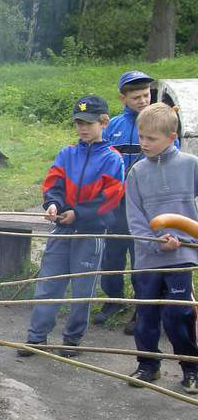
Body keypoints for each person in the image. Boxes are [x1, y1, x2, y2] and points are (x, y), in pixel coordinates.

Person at [16, 95, 123, 356]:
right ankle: (37, 337)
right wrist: (53, 205)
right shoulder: (67, 153)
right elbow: (53, 184)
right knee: (49, 283)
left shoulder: (113, 159)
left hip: (91, 232)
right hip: (62, 229)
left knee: (82, 289)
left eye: (88, 122)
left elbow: (110, 199)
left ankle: (72, 340)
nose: (83, 128)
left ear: (104, 122)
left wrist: (79, 213)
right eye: (78, 123)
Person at [98, 71, 179, 334]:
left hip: (147, 202)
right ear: (124, 98)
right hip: (117, 201)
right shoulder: (115, 126)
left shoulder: (159, 124)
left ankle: (141, 306)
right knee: (113, 251)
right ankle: (113, 299)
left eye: (146, 95)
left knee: (141, 253)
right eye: (136, 97)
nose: (143, 100)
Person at [125, 103, 198, 392]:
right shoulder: (136, 172)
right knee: (146, 316)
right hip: (147, 258)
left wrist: (188, 238)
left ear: (172, 136)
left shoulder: (191, 165)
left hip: (183, 255)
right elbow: (134, 216)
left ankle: (191, 369)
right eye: (141, 136)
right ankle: (147, 366)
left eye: (151, 138)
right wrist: (155, 244)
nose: (144, 143)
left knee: (177, 315)